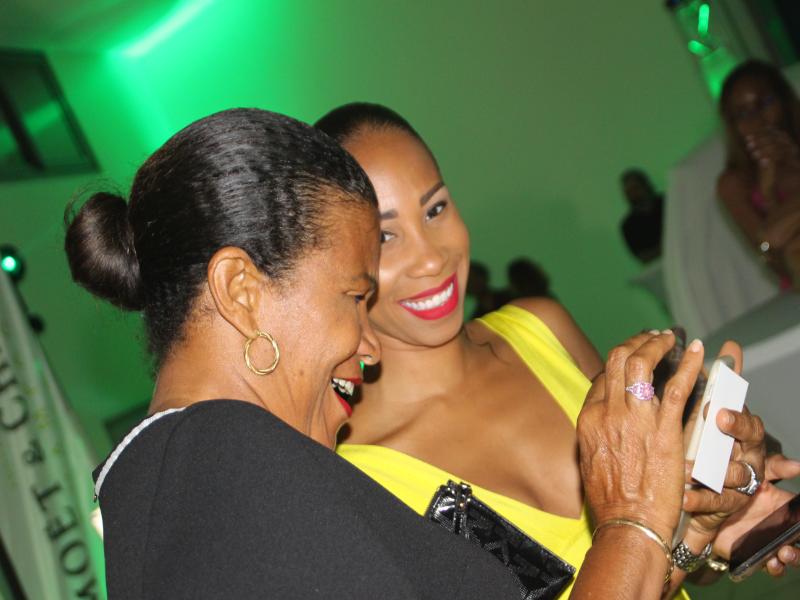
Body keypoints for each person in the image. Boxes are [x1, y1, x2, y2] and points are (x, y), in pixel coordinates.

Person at [64, 108, 715, 599]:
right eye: (354, 296)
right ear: (241, 291)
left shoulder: (166, 481)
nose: (369, 345)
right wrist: (633, 520)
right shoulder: (239, 477)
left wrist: (679, 538)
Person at [316, 102, 800, 596]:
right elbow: (638, 544)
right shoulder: (359, 477)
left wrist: (715, 519)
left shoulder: (540, 327)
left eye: (435, 209)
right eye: (385, 237)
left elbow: (663, 558)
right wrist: (675, 534)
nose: (430, 257)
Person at [717, 59, 800, 289]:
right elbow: (778, 263)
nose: (757, 120)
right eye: (743, 114)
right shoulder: (734, 184)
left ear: (784, 101)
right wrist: (768, 194)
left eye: (765, 103)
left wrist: (794, 162)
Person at [620, 168, 664, 263]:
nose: (633, 194)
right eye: (628, 191)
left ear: (646, 186)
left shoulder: (668, 203)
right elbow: (643, 256)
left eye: (635, 188)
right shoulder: (629, 225)